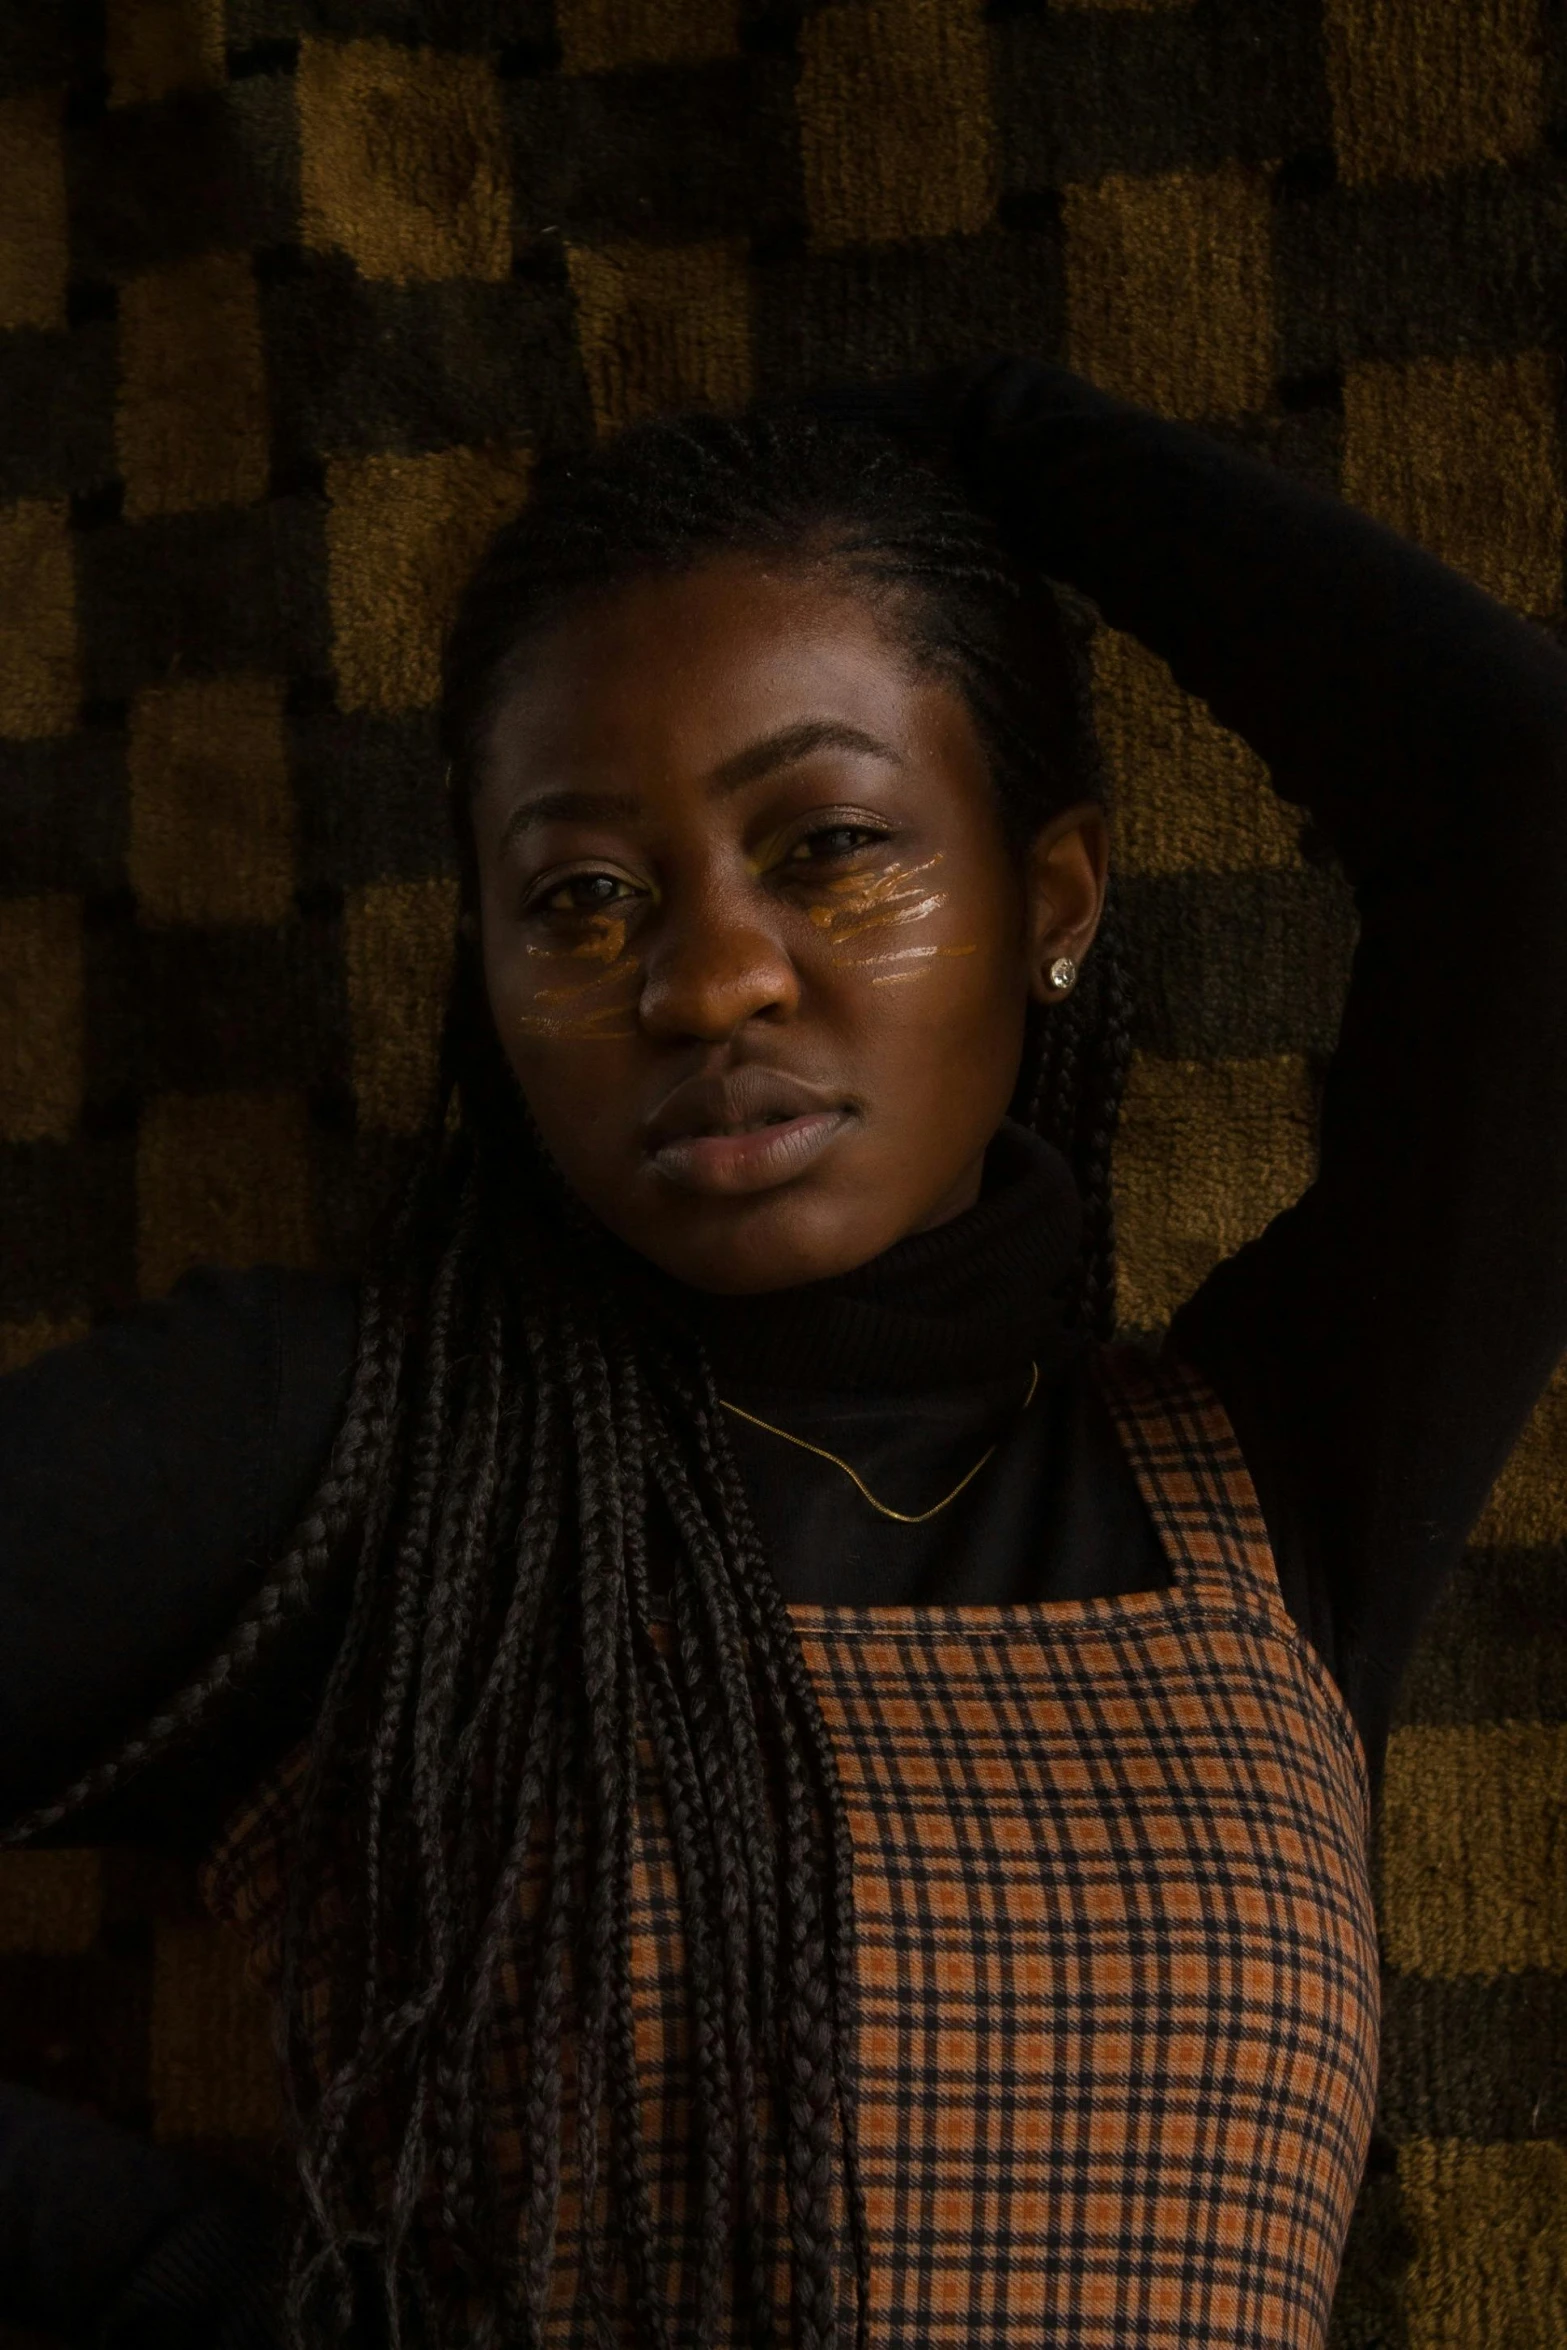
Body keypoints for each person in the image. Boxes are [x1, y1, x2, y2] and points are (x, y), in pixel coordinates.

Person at [3, 358, 1565, 2350]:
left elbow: (1526, 798)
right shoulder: (358, 1446)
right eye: (579, 894)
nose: (707, 973)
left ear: (1051, 898)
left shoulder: (1274, 1478)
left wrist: (1000, 434)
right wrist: (197, 2283)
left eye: (830, 841)